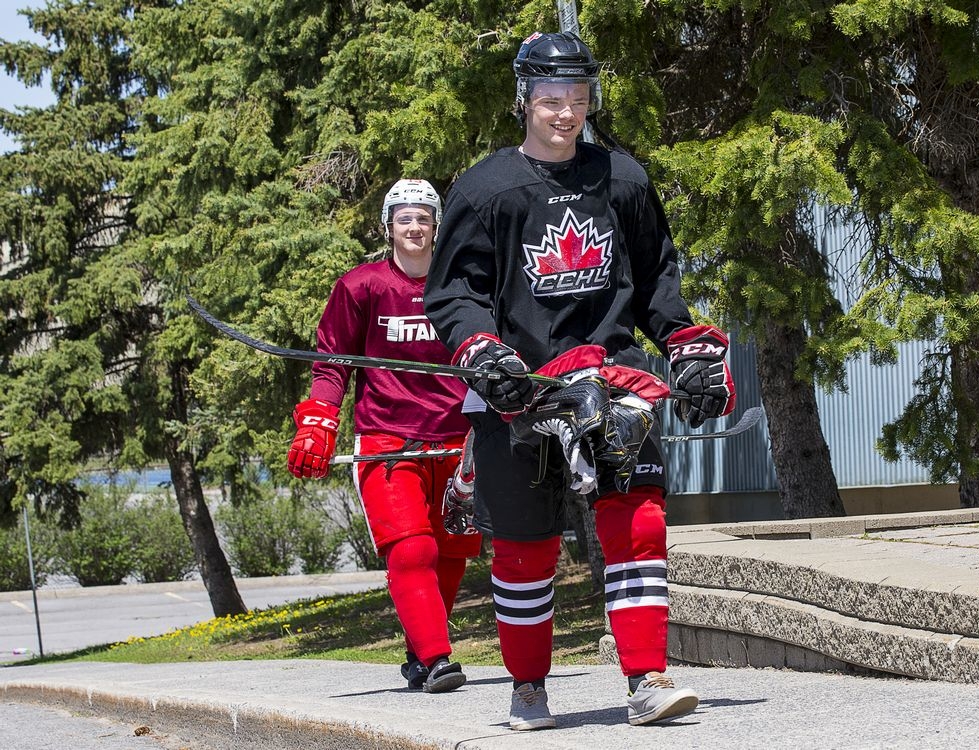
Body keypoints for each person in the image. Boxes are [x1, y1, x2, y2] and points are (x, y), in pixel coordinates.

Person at [424, 32, 736, 729]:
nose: (566, 113)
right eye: (551, 99)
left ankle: (647, 679)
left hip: (611, 378)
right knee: (526, 548)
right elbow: (453, 293)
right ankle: (528, 687)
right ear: (524, 100)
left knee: (639, 518)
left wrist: (685, 345)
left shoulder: (621, 179)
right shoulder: (484, 190)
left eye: (578, 99)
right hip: (518, 389)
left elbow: (657, 279)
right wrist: (482, 350)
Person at [287, 178, 482, 694]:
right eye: (404, 218)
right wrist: (318, 421)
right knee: (411, 549)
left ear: (436, 225)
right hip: (387, 439)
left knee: (453, 551)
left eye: (423, 217)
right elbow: (332, 362)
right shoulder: (361, 286)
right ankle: (439, 658)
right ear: (388, 227)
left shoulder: (464, 284)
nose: (414, 226)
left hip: (459, 440)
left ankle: (419, 651)